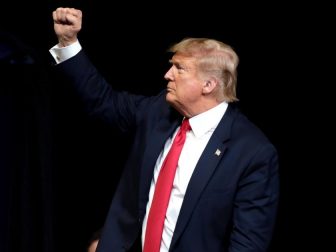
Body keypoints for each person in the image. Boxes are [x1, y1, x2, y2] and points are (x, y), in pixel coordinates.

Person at [50, 7, 279, 252]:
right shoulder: (157, 110)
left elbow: (248, 244)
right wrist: (68, 42)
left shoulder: (253, 152)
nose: (167, 75)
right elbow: (103, 101)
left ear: (208, 84)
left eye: (179, 68)